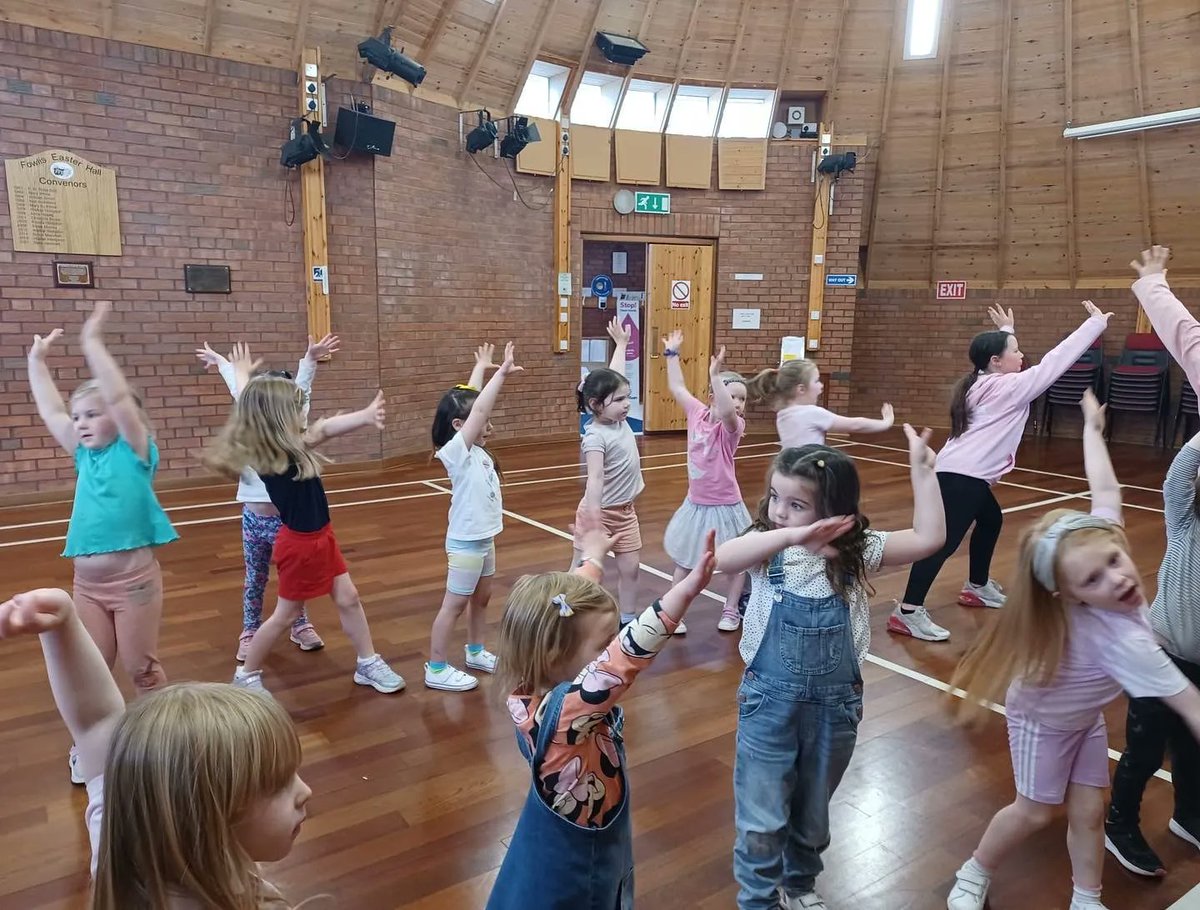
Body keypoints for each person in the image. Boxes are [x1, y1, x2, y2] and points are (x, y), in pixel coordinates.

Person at [946, 390, 1200, 910]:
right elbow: (1193, 706)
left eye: (1114, 560)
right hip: (1043, 720)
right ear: (1069, 596)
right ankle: (974, 869)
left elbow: (1104, 487)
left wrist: (1090, 428)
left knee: (1089, 811)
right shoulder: (1124, 641)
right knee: (1035, 810)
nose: (1118, 576)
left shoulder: (1097, 545)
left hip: (1081, 718)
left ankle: (1087, 897)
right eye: (1094, 578)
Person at [717, 425, 946, 910]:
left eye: (796, 504)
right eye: (775, 497)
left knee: (813, 813)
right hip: (767, 705)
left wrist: (926, 477)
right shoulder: (768, 545)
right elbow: (722, 559)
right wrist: (793, 532)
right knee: (761, 820)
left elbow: (929, 539)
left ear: (836, 509)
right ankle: (757, 900)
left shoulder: (857, 552)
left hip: (835, 710)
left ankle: (799, 885)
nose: (779, 510)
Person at [890, 300, 1111, 642]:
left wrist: (1006, 332)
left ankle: (976, 586)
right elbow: (1055, 362)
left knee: (991, 520)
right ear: (996, 361)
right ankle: (907, 611)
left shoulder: (981, 382)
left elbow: (1006, 361)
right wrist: (1094, 325)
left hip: (963, 474)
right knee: (941, 544)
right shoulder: (1008, 388)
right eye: (1016, 351)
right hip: (963, 477)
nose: (1022, 356)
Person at [27, 300, 179, 783]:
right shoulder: (83, 457)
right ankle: (88, 746)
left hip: (134, 584)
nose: (83, 422)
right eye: (79, 417)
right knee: (92, 670)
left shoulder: (137, 451)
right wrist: (36, 362)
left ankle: (158, 742)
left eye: (93, 414)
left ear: (122, 416)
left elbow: (116, 398)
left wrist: (92, 343)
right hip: (87, 587)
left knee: (141, 668)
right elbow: (52, 409)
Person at [203, 346, 403, 695]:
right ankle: (246, 676)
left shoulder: (285, 443)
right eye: (296, 408)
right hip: (300, 546)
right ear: (279, 418)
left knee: (349, 597)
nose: (303, 412)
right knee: (284, 616)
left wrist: (366, 415)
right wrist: (364, 415)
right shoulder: (276, 455)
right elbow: (321, 428)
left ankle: (367, 662)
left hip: (321, 537)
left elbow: (315, 424)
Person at [425, 342, 523, 692]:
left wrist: (480, 368)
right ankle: (436, 667)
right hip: (466, 544)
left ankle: (476, 650)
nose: (489, 426)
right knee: (453, 606)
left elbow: (472, 405)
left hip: (484, 540)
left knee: (481, 599)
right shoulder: (456, 453)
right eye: (484, 422)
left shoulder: (475, 448)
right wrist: (500, 374)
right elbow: (478, 411)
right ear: (458, 426)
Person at [660, 330, 752, 631]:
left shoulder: (733, 427)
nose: (737, 403)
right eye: (733, 396)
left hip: (726, 504)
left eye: (742, 399)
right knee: (686, 563)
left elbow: (726, 413)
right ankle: (675, 613)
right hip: (696, 505)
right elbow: (677, 386)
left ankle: (730, 609)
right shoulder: (697, 413)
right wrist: (672, 354)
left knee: (735, 562)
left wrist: (715, 375)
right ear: (712, 396)